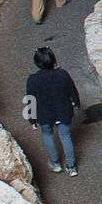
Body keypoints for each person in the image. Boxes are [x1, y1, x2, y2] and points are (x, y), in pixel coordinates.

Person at [25, 47, 81, 176]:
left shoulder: (32, 79)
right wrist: (76, 103)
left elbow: (30, 100)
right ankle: (71, 167)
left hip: (44, 114)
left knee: (48, 135)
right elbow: (73, 91)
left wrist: (32, 119)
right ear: (53, 60)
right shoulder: (62, 74)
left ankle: (55, 163)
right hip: (63, 111)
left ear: (37, 63)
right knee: (66, 137)